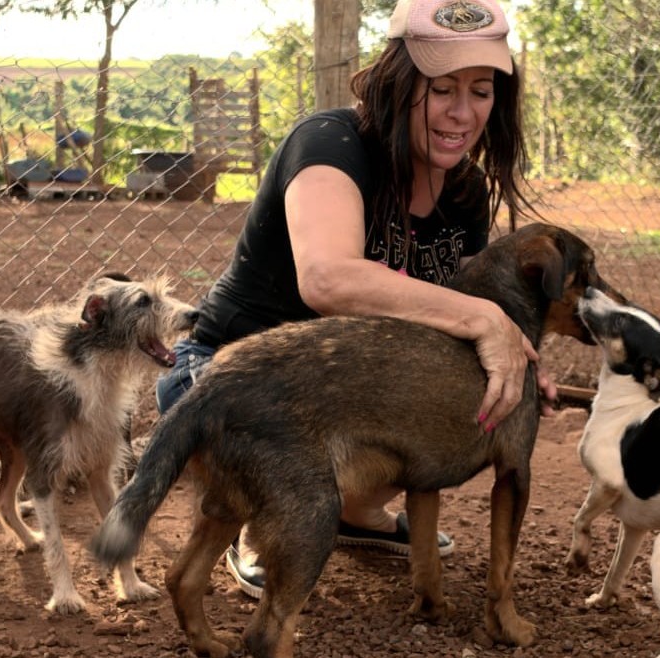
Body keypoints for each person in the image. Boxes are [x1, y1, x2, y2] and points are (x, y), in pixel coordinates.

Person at [153, 0, 552, 598]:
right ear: (398, 82)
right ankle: (253, 517)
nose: (463, 113)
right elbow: (328, 279)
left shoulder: (464, 188)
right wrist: (485, 318)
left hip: (339, 402)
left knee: (468, 400)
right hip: (227, 384)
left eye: (482, 90)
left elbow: (448, 314)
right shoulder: (331, 142)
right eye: (441, 89)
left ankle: (351, 513)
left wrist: (515, 353)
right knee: (292, 458)